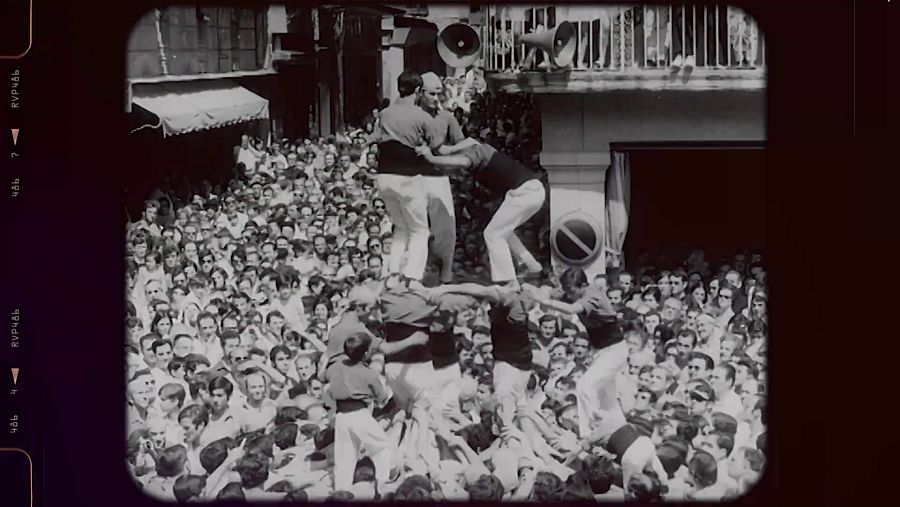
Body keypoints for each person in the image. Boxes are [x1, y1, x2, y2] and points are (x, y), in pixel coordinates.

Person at [416, 137, 545, 288]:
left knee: (492, 234)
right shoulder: (481, 151)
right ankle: (531, 265)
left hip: (525, 192)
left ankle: (509, 281)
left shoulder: (477, 152)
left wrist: (433, 157)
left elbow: (463, 159)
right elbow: (469, 143)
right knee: (504, 231)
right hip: (532, 191)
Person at [374, 71, 442, 281]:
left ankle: (393, 271)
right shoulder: (422, 115)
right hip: (408, 176)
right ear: (418, 91)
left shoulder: (385, 113)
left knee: (401, 227)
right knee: (420, 230)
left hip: (384, 176)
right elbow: (436, 142)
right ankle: (412, 276)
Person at [325, 332, 395, 491]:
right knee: (382, 447)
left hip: (341, 415)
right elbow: (382, 397)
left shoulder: (337, 366)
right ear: (365, 354)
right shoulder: (367, 372)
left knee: (344, 458)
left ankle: (342, 492)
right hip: (359, 414)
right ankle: (382, 486)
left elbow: (328, 379)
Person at [419, 72, 465, 284]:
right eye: (431, 93)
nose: (436, 98)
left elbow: (462, 145)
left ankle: (445, 274)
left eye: (439, 93)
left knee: (445, 231)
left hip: (438, 179)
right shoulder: (409, 116)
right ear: (420, 93)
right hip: (412, 179)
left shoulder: (447, 117)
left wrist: (444, 152)